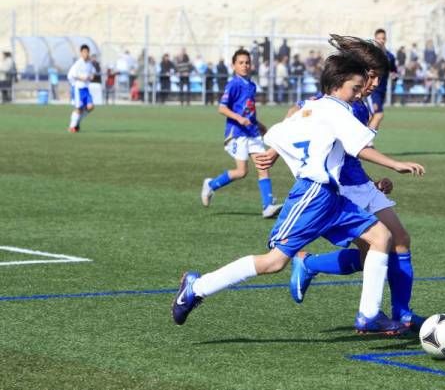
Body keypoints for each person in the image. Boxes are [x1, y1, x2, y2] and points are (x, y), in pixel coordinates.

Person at [172, 51, 425, 333]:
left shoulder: (315, 109)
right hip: (313, 195)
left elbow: (282, 131)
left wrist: (274, 152)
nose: (359, 93)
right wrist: (396, 164)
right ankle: (197, 286)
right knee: (274, 262)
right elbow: (359, 147)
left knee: (383, 237)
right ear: (339, 83)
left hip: (333, 195)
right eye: (356, 87)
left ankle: (369, 315)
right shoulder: (335, 109)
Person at [283, 35, 427, 331]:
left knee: (397, 241)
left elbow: (351, 151)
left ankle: (402, 313)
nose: (374, 83)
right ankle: (317, 272)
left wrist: (374, 181)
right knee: (378, 247)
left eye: (379, 78)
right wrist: (271, 151)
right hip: (341, 188)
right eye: (372, 76)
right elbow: (296, 113)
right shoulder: (339, 101)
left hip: (360, 183)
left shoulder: (361, 105)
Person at [200, 49, 282, 218]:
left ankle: (267, 206)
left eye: (247, 62)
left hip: (252, 132)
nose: (245, 65)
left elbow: (249, 110)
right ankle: (211, 185)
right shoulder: (233, 84)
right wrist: (238, 118)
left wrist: (259, 125)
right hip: (237, 133)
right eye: (241, 63)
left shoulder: (251, 85)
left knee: (263, 166)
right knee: (241, 172)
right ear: (234, 65)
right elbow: (222, 108)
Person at [368, 28, 397, 130]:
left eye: (383, 38)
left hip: (382, 90)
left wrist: (394, 75)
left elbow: (394, 70)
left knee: (373, 115)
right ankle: (366, 141)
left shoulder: (390, 56)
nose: (381, 40)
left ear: (386, 40)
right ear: (375, 39)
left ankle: (365, 139)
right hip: (371, 90)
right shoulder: (370, 55)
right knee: (378, 114)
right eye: (378, 38)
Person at [66, 44, 95, 132]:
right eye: (84, 52)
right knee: (79, 109)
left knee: (90, 107)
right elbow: (71, 75)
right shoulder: (78, 63)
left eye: (87, 52)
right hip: (78, 88)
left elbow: (93, 72)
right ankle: (72, 127)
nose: (86, 54)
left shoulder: (89, 63)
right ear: (81, 53)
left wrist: (91, 76)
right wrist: (81, 78)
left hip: (86, 88)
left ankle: (77, 122)